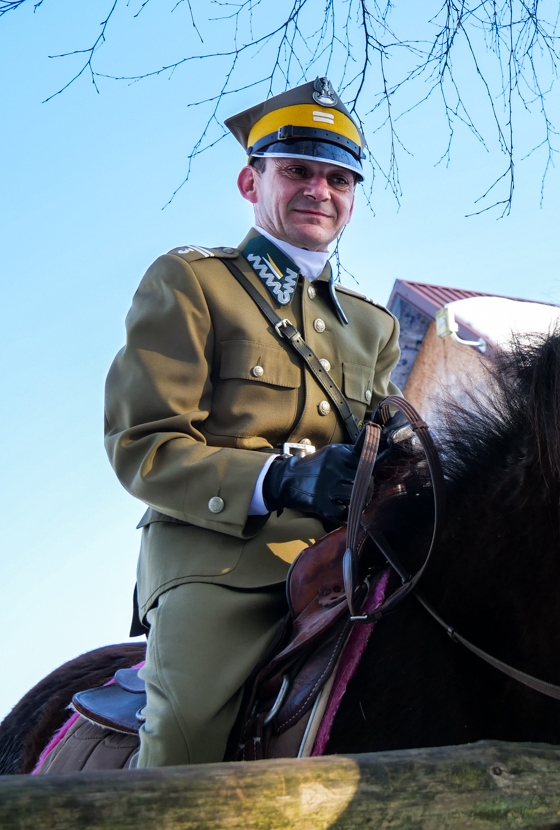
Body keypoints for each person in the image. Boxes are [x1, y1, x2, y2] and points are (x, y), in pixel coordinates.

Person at [104, 78, 401, 767]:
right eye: (297, 170)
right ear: (250, 182)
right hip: (224, 564)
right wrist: (283, 480)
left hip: (347, 565)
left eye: (338, 179)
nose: (319, 191)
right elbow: (142, 445)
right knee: (187, 748)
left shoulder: (373, 326)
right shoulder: (194, 283)